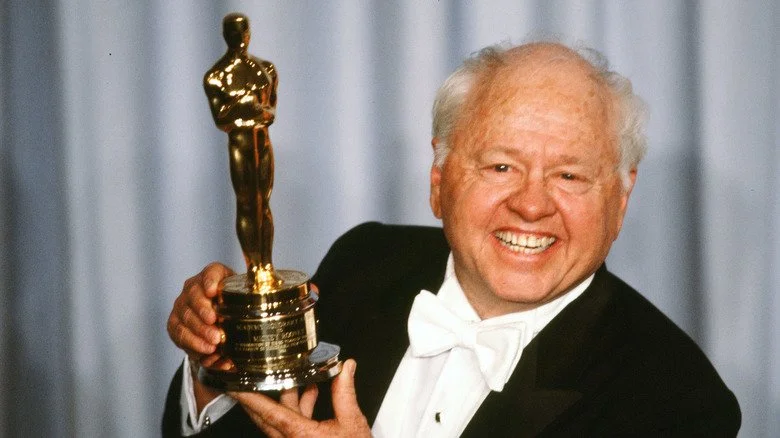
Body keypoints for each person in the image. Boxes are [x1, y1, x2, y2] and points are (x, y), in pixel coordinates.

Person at [164, 41, 741, 437]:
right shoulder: (362, 260)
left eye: (569, 175)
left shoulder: (677, 401)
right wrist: (213, 367)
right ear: (438, 183)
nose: (532, 204)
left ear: (621, 199)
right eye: (499, 167)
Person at [204, 13, 280, 287]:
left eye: (242, 30)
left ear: (248, 33)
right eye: (233, 32)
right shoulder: (216, 77)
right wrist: (248, 106)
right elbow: (221, 118)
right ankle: (254, 266)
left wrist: (253, 108)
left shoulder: (266, 70)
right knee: (248, 204)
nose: (239, 37)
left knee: (265, 205)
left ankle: (266, 266)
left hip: (262, 142)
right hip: (240, 145)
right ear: (226, 36)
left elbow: (270, 111)